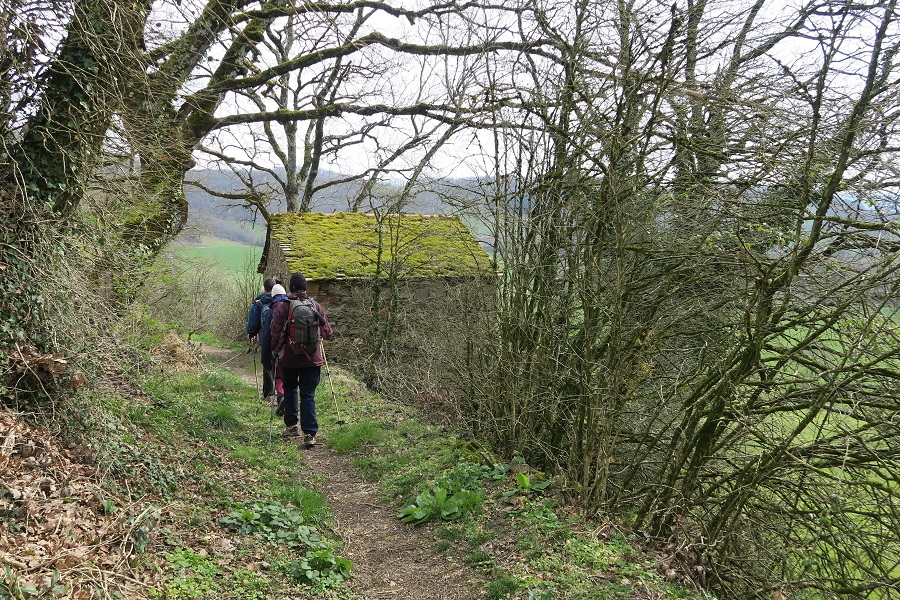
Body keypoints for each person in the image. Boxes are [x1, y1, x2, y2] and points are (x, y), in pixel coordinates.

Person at [270, 272, 334, 448]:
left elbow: (275, 333)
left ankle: (292, 426)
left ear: (290, 288)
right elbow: (328, 333)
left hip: (289, 358)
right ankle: (310, 434)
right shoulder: (316, 306)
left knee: (290, 389)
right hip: (312, 359)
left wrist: (275, 351)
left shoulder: (283, 307)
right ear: (305, 288)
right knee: (308, 394)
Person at [246, 277, 277, 398]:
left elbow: (255, 322)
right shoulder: (281, 302)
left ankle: (268, 392)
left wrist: (251, 334)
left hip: (265, 337)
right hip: (280, 337)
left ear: (265, 289)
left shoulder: (260, 303)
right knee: (278, 363)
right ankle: (281, 391)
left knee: (267, 363)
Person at [267, 283, 289, 413]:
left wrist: (271, 351)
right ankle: (291, 400)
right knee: (291, 377)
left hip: (278, 350)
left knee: (279, 376)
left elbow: (269, 334)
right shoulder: (291, 307)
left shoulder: (271, 310)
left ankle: (281, 396)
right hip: (293, 349)